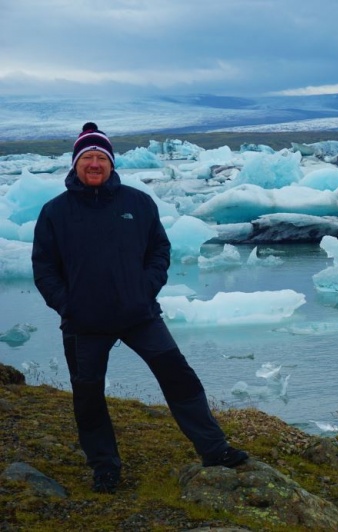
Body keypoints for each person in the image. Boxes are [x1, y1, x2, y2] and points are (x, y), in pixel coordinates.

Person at [31, 122, 248, 494]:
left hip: (139, 315)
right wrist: (68, 306)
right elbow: (44, 267)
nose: (94, 163)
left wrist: (145, 289)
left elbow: (159, 250)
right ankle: (105, 468)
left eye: (101, 157)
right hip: (84, 323)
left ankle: (215, 450)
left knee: (179, 378)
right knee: (88, 396)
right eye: (87, 158)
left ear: (112, 164)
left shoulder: (138, 203)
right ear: (75, 165)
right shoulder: (55, 212)